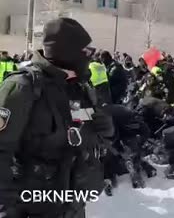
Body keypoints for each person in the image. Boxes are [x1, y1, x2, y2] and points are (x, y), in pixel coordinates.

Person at [0, 18, 114, 218]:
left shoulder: (81, 88)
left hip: (73, 205)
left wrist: (105, 131)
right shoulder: (22, 87)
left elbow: (85, 141)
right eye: (86, 51)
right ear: (67, 52)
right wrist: (9, 204)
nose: (91, 56)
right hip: (33, 207)